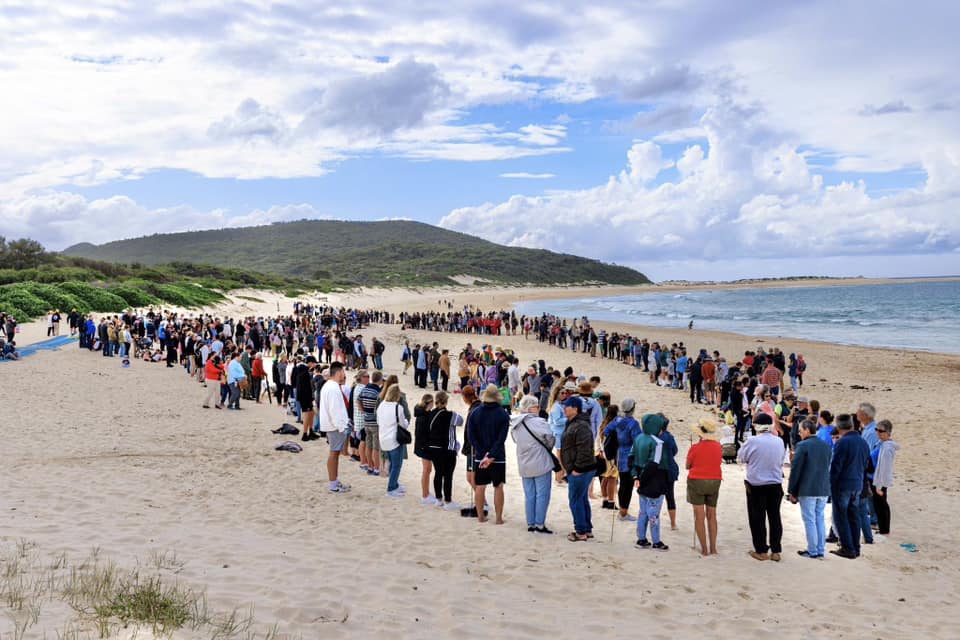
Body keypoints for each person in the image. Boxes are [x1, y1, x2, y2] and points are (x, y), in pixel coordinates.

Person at [737, 414, 785, 561]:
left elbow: (741, 458)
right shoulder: (779, 441)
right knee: (774, 516)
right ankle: (776, 551)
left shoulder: (752, 441)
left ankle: (761, 550)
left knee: (757, 518)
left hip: (757, 485)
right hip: (775, 484)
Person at [510, 394, 556, 534]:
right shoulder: (540, 422)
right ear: (531, 408)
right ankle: (539, 524)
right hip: (540, 461)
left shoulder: (515, 424)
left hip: (524, 462)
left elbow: (515, 440)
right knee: (542, 495)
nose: (539, 408)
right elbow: (550, 439)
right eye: (537, 406)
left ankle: (530, 523)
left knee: (529, 494)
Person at [787, 417, 832, 559]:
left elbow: (796, 469)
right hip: (823, 488)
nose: (799, 434)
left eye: (801, 431)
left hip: (808, 488)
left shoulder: (803, 446)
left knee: (810, 520)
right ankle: (820, 550)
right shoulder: (826, 445)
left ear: (807, 430)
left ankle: (812, 550)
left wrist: (792, 491)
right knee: (819, 518)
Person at [829, 413, 871, 559]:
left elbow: (836, 467)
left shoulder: (842, 443)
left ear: (839, 428)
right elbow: (866, 465)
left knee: (841, 516)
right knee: (854, 516)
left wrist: (831, 485)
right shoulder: (863, 442)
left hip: (843, 484)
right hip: (857, 483)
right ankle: (855, 547)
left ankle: (848, 548)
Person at [470, 385, 510, 524]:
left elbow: (471, 436)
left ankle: (480, 516)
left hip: (481, 456)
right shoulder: (502, 413)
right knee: (498, 486)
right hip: (497, 456)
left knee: (480, 486)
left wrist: (483, 454)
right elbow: (502, 438)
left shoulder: (475, 412)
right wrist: (491, 455)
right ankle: (498, 518)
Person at [630, 413, 670, 550]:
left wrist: (636, 476)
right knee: (653, 513)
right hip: (654, 480)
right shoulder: (657, 442)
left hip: (641, 477)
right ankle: (656, 541)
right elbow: (654, 463)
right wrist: (642, 478)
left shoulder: (638, 438)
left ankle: (641, 538)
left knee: (642, 511)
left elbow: (631, 458)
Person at [686, 418, 723, 556]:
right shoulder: (718, 446)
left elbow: (687, 466)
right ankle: (713, 547)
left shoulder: (695, 448)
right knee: (712, 515)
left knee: (699, 515)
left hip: (697, 480)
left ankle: (704, 549)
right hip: (715, 480)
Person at [561, 396, 595, 541]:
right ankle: (586, 529)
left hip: (581, 469)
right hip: (579, 468)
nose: (564, 408)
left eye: (567, 406)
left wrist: (577, 469)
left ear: (575, 408)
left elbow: (585, 449)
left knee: (575, 500)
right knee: (581, 499)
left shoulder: (580, 425)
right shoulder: (573, 422)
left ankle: (580, 531)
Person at [605, 398, 642, 522]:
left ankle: (622, 511)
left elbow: (606, 431)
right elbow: (637, 441)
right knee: (628, 486)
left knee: (622, 484)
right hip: (629, 456)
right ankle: (623, 512)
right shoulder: (633, 424)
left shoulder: (617, 420)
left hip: (618, 455)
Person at [318, 362, 352, 493]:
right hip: (335, 427)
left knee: (335, 453)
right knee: (334, 453)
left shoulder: (330, 386)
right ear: (338, 373)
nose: (344, 375)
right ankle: (333, 484)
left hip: (333, 425)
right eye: (343, 372)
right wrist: (342, 427)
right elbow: (335, 410)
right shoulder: (332, 388)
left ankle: (335, 481)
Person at [427, 391, 463, 510]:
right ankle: (448, 501)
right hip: (447, 448)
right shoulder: (449, 414)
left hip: (433, 447)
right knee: (448, 475)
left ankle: (439, 499)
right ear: (446, 401)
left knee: (438, 473)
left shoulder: (432, 413)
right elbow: (461, 421)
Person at [377, 384, 409, 497]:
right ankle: (391, 488)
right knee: (397, 465)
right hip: (394, 440)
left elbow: (379, 421)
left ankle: (395, 484)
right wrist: (406, 422)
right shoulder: (398, 407)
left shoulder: (381, 405)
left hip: (383, 438)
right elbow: (403, 424)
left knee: (391, 462)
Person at [872, 419, 899, 536]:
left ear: (888, 432)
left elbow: (884, 468)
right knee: (879, 505)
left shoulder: (887, 448)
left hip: (881, 481)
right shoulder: (882, 444)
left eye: (881, 431)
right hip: (878, 479)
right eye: (876, 430)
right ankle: (883, 528)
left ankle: (884, 529)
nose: (878, 433)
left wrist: (879, 486)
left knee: (882, 505)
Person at [413, 393, 436, 505]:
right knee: (426, 470)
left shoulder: (426, 413)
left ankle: (426, 492)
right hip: (424, 447)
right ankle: (425, 495)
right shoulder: (423, 416)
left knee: (428, 470)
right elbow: (420, 434)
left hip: (425, 446)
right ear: (429, 403)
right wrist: (425, 446)